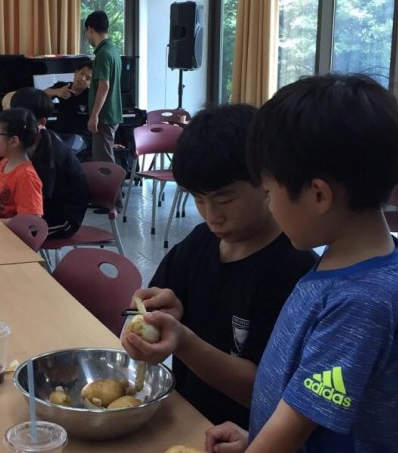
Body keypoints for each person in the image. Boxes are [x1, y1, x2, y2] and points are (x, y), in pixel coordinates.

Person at [145, 74, 398, 453]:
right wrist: (257, 437)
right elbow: (304, 409)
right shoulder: (339, 272)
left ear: (319, 194)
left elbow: (298, 420)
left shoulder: (360, 301)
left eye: (269, 192)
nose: (270, 205)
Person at [122, 104, 316, 427]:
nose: (212, 216)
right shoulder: (200, 244)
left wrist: (183, 342)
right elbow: (140, 312)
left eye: (225, 200)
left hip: (244, 439)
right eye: (198, 200)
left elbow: (263, 390)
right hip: (185, 418)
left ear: (267, 182)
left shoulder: (293, 270)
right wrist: (146, 323)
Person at [10, 87, 89, 237]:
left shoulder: (50, 153)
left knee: (7, 231)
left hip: (61, 219)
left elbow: (38, 202)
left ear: (41, 122)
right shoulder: (31, 141)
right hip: (42, 210)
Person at [86, 11, 122, 164]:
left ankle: (115, 182)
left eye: (86, 32)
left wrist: (94, 115)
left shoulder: (102, 54)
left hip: (104, 116)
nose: (87, 36)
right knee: (104, 161)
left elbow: (104, 86)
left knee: (104, 165)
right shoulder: (113, 50)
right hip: (111, 113)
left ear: (90, 29)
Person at [46, 57, 93, 151]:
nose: (82, 78)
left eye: (88, 78)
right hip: (59, 133)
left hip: (80, 136)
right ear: (76, 72)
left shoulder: (91, 96)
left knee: (65, 150)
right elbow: (40, 95)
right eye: (81, 73)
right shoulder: (63, 86)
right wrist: (56, 91)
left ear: (90, 83)